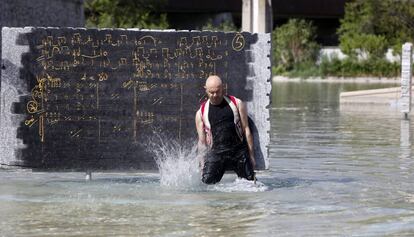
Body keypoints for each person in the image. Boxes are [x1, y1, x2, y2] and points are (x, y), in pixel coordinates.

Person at [195, 75, 256, 184]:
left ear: (223, 88)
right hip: (216, 153)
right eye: (211, 92)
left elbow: (246, 129)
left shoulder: (236, 103)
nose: (214, 95)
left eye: (217, 91)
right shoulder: (201, 113)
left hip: (238, 152)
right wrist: (202, 162)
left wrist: (251, 155)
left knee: (251, 185)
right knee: (206, 185)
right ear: (206, 89)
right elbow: (202, 141)